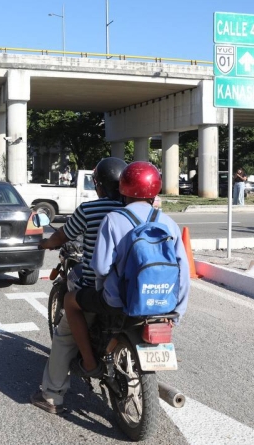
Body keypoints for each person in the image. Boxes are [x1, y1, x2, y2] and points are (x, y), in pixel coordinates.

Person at [63, 161, 191, 379]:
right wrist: (176, 312)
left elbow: (101, 267)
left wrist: (104, 293)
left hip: (116, 300)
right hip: (162, 304)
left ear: (124, 188)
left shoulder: (113, 219)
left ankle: (89, 362)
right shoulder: (168, 222)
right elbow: (183, 272)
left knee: (70, 301)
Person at [30, 157, 126, 414]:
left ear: (99, 185)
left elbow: (62, 235)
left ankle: (51, 396)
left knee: (64, 335)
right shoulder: (137, 208)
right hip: (134, 288)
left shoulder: (90, 210)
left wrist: (46, 243)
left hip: (100, 289)